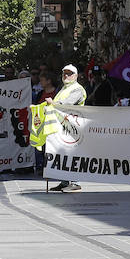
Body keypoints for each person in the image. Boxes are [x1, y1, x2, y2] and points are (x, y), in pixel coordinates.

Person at [46, 64, 87, 193]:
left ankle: (75, 183)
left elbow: (67, 104)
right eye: (64, 73)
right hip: (62, 126)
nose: (66, 76)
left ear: (75, 76)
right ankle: (64, 182)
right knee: (63, 154)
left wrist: (53, 103)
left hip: (73, 127)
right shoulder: (64, 88)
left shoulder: (77, 89)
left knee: (73, 154)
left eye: (69, 73)